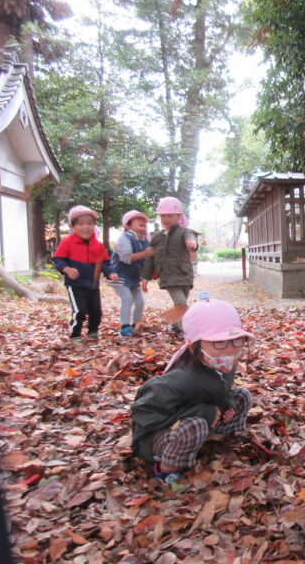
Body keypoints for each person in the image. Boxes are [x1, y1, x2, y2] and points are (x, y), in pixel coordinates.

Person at [131, 299, 255, 485]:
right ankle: (168, 471)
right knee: (194, 425)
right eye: (219, 342)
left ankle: (223, 440)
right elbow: (144, 416)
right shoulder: (176, 381)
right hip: (157, 439)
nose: (230, 349)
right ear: (193, 346)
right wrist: (200, 412)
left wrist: (227, 404)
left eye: (236, 340)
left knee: (242, 395)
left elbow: (221, 390)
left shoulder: (222, 363)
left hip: (205, 422)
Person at [52, 205, 119, 340]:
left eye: (90, 223)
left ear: (94, 226)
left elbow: (105, 263)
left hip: (93, 284)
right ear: (73, 226)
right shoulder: (68, 242)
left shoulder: (98, 245)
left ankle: (92, 332)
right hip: (75, 285)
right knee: (80, 310)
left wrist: (110, 273)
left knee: (96, 311)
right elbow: (58, 259)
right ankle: (75, 334)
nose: (86, 227)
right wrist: (67, 269)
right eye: (81, 224)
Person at [140, 197, 198, 333]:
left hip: (184, 275)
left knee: (180, 305)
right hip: (168, 276)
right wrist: (145, 277)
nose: (166, 219)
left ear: (179, 216)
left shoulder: (184, 232)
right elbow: (150, 259)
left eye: (170, 215)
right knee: (181, 303)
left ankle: (175, 326)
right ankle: (185, 330)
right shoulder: (157, 237)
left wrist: (192, 244)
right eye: (163, 216)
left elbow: (190, 238)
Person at [110, 210, 155, 337]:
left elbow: (148, 261)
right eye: (138, 219)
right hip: (118, 276)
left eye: (144, 220)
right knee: (127, 299)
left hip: (133, 278)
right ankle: (125, 327)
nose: (142, 221)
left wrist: (146, 277)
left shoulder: (145, 241)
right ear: (128, 225)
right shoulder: (124, 238)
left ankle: (135, 325)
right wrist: (145, 253)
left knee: (140, 302)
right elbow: (126, 258)